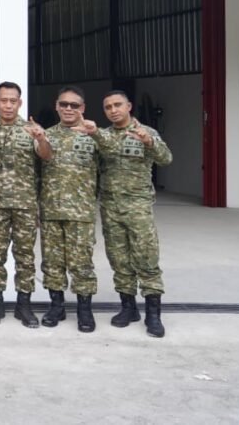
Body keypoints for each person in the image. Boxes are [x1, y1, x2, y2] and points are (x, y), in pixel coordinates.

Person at [77, 90, 173, 338]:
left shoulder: (146, 132)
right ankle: (128, 308)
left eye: (117, 105)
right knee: (119, 259)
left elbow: (166, 158)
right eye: (108, 107)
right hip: (110, 206)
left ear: (129, 106)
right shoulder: (102, 135)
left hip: (138, 206)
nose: (113, 110)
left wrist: (149, 142)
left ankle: (153, 314)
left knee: (146, 258)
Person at [0, 82, 45, 328]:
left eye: (13, 101)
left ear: (20, 103)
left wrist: (42, 138)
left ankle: (24, 304)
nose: (8, 105)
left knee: (25, 255)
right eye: (3, 100)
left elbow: (46, 156)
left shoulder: (31, 130)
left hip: (26, 204)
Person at [34, 86, 100, 332]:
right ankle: (57, 306)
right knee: (52, 263)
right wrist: (41, 139)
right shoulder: (46, 135)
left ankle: (85, 310)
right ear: (57, 106)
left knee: (82, 263)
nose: (69, 109)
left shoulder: (94, 135)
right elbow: (42, 160)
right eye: (64, 104)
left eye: (74, 105)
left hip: (81, 212)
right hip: (51, 210)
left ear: (82, 108)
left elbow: (111, 164)